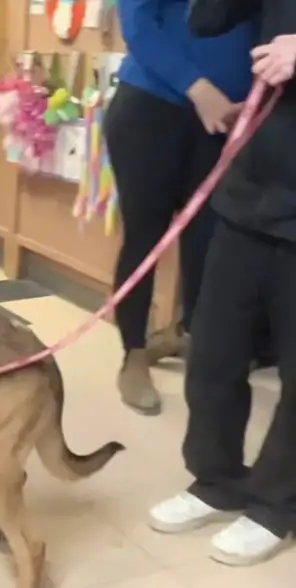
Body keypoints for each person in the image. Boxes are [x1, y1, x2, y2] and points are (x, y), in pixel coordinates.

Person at [148, 0, 296, 566]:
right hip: (253, 189)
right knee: (213, 348)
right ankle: (216, 480)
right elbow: (207, 20)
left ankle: (277, 504)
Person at [104, 0, 256, 415]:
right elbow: (137, 24)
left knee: (208, 244)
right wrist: (198, 88)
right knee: (144, 239)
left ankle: (189, 335)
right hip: (151, 110)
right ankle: (133, 354)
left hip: (228, 120)